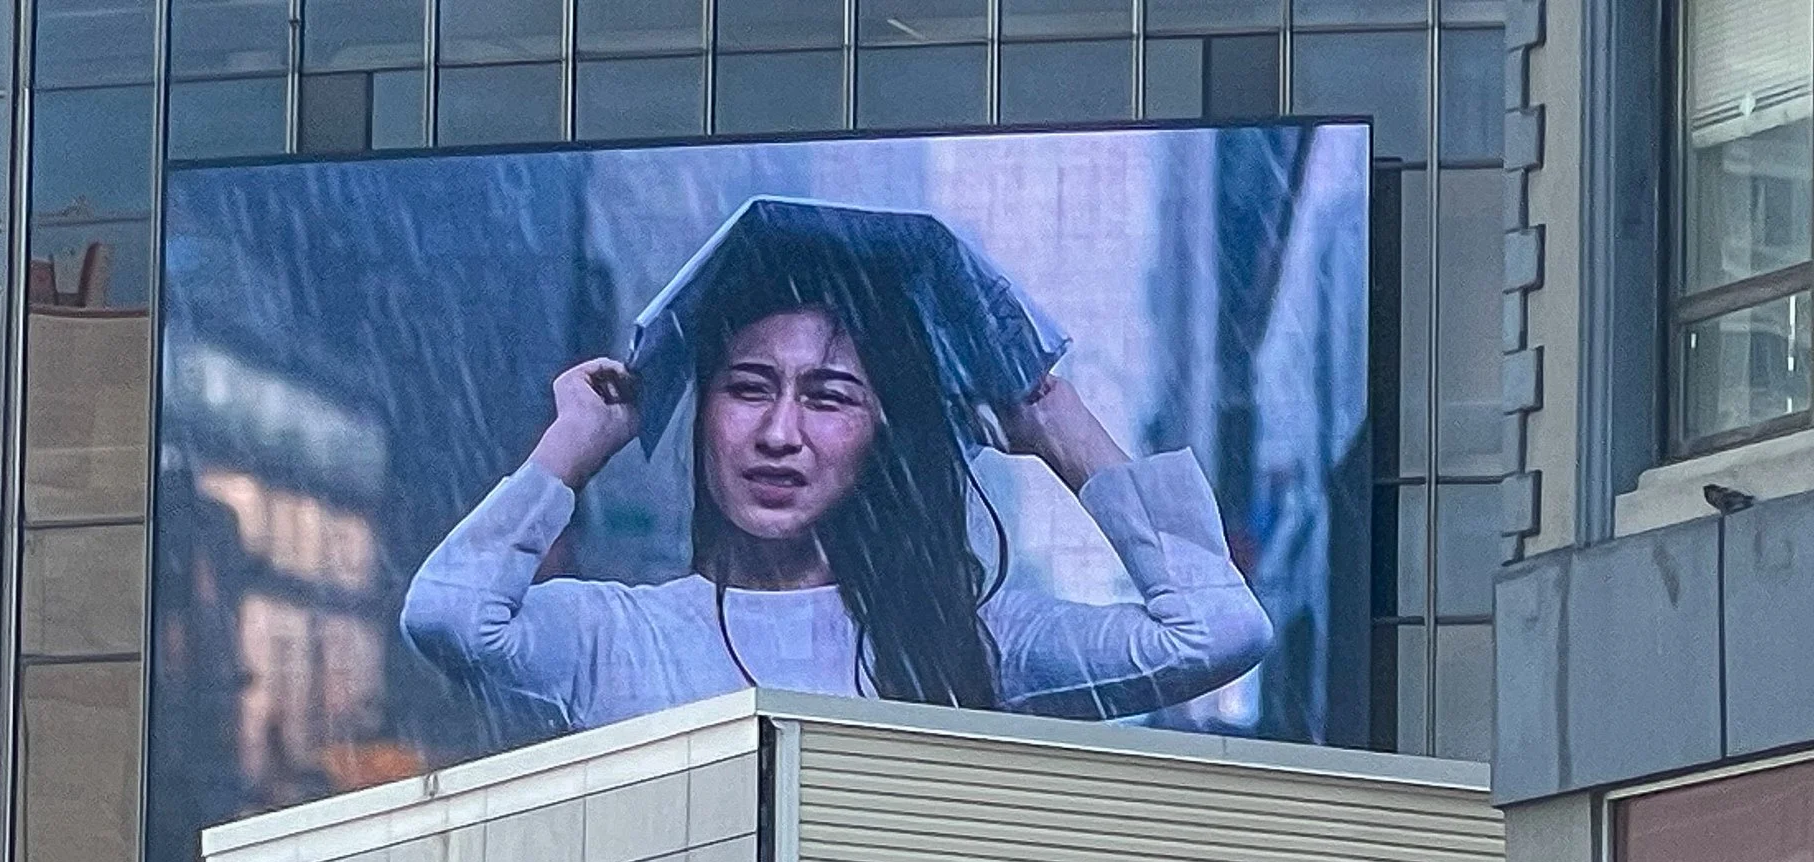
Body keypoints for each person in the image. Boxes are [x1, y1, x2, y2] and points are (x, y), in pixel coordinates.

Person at [401, 204, 1273, 737]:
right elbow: (447, 615)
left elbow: (1216, 633)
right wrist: (574, 444)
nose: (780, 432)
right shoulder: (615, 636)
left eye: (828, 398)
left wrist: (1058, 428)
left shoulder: (967, 641)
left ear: (878, 431)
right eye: (748, 389)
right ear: (704, 411)